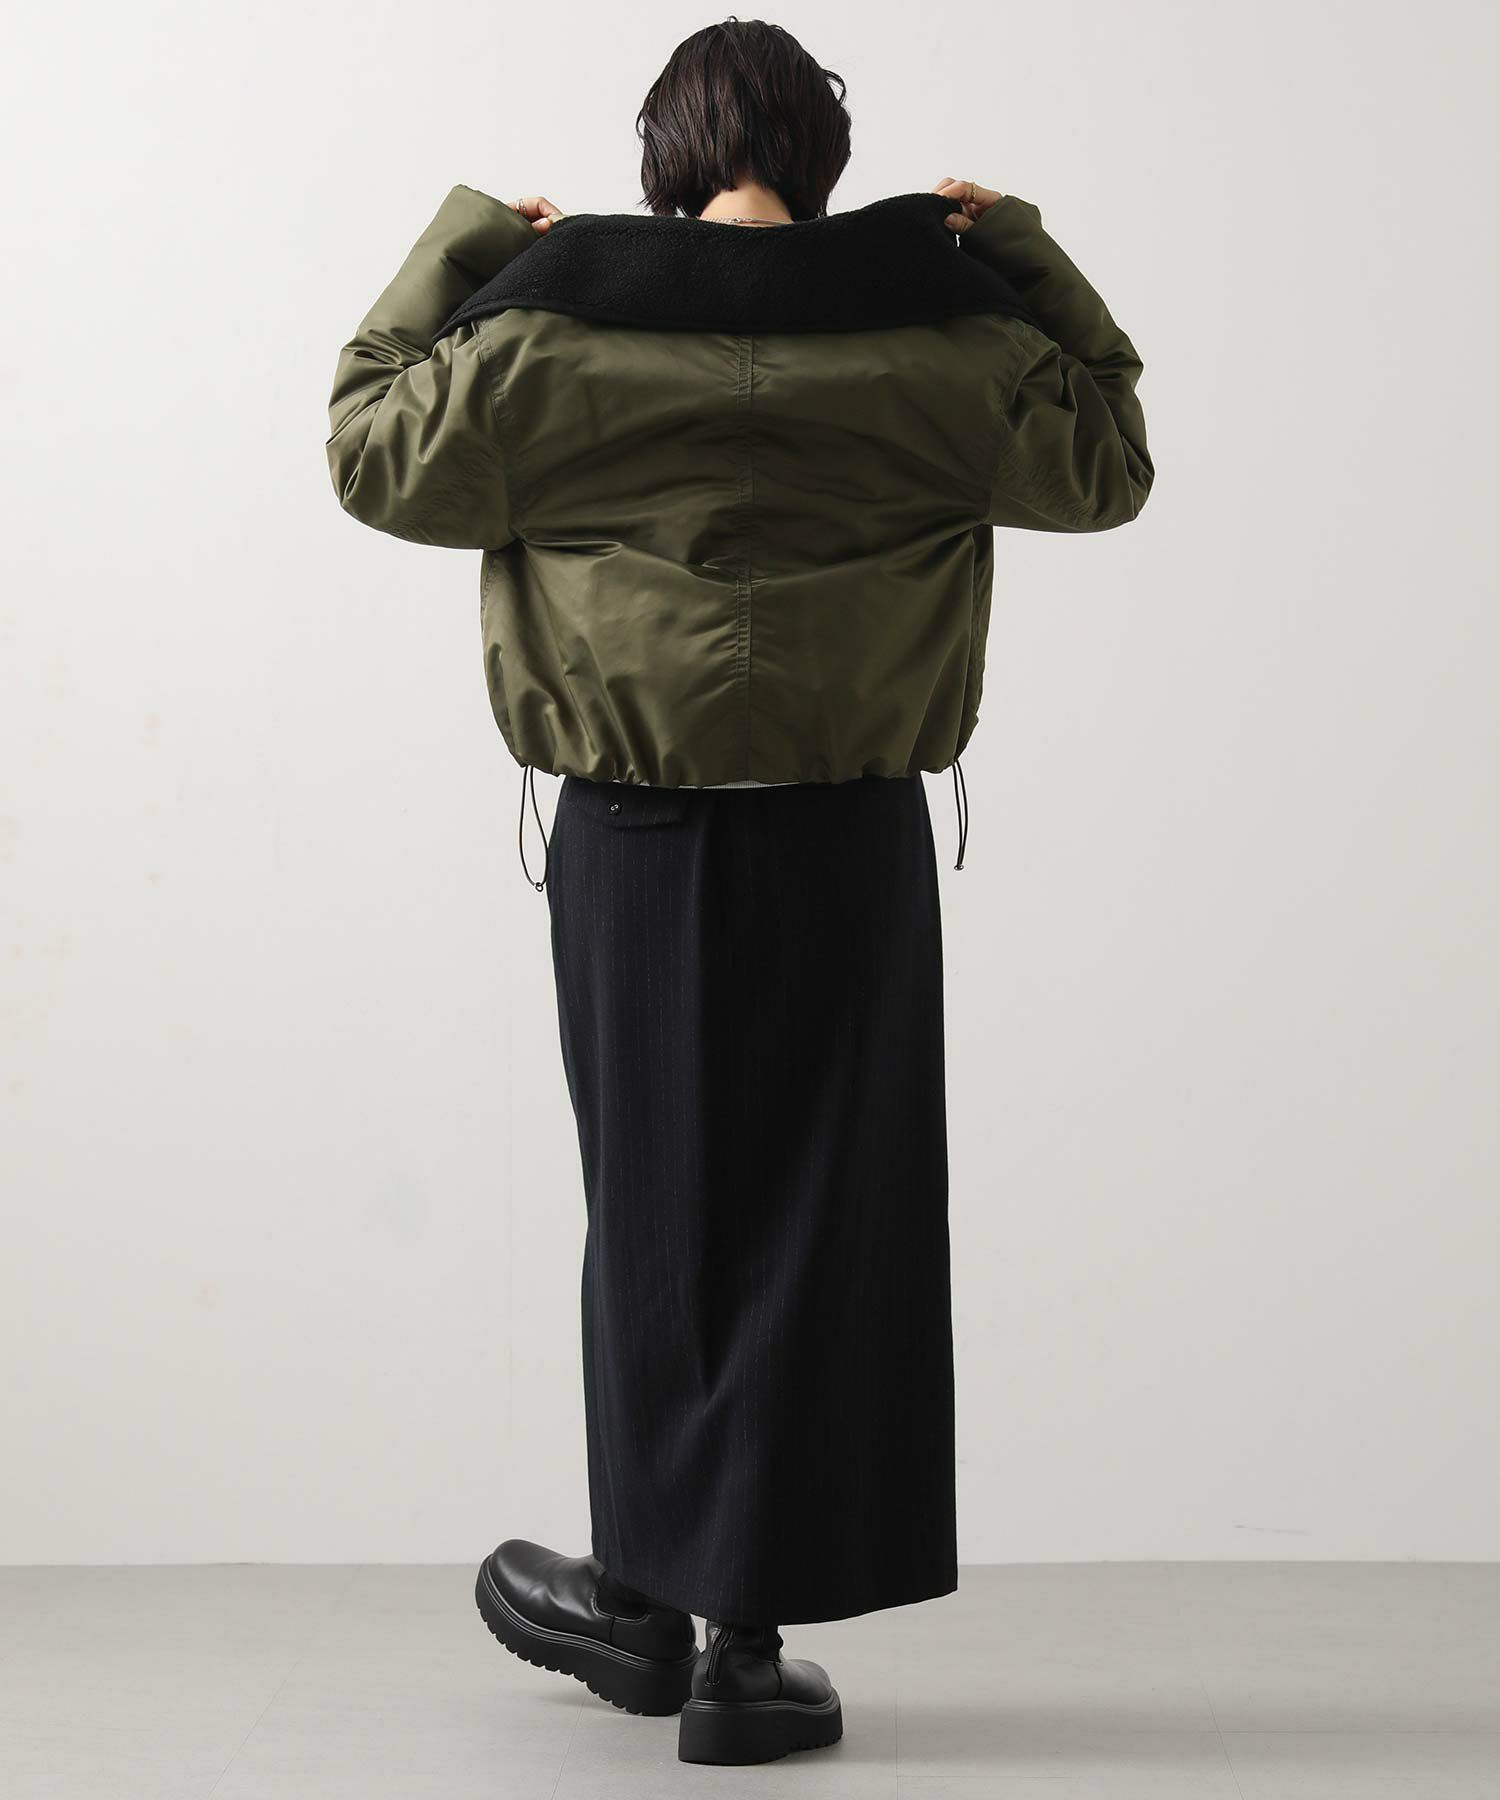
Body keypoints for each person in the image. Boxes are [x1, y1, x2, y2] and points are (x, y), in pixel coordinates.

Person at [325, 16, 1152, 1767]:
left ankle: (646, 1588)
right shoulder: (944, 346)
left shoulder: (541, 346)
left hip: (633, 834)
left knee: (654, 1213)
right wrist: (1012, 244)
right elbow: (1109, 457)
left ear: (665, 160)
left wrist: (470, 241)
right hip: (848, 835)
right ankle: (737, 1652)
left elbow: (368, 447)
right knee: (824, 1226)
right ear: (824, 161)